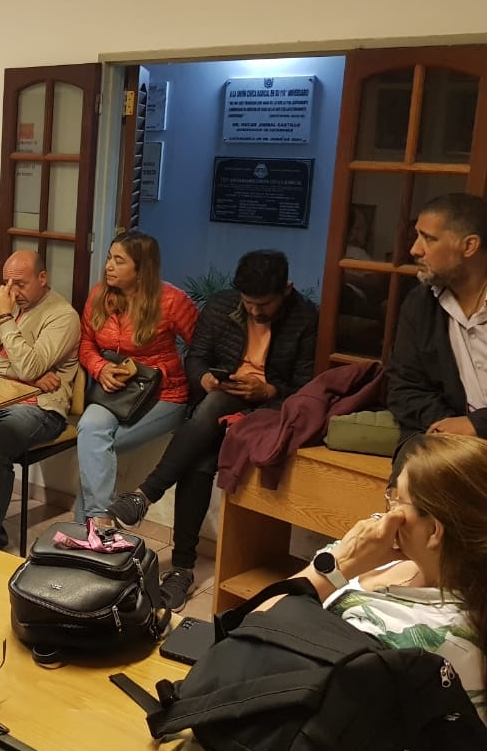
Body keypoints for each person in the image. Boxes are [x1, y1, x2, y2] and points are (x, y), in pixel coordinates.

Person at [107, 250, 319, 609]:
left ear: (287, 289)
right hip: (221, 401)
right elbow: (197, 358)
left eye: (264, 305)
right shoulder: (222, 306)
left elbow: (306, 386)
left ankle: (148, 500)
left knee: (211, 415)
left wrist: (268, 391)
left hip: (270, 409)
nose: (255, 312)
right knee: (202, 456)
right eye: (249, 303)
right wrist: (204, 377)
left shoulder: (306, 318)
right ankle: (180, 565)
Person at [271, 432, 485, 723]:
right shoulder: (414, 563)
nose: (388, 511)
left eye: (398, 499)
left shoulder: (408, 633)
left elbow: (252, 635)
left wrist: (338, 566)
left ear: (434, 531)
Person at [0, 250, 80, 549]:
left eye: (20, 283)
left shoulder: (62, 316)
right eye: (7, 283)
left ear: (42, 278)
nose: (12, 292)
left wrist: (5, 318)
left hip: (41, 407)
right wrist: (26, 375)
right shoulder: (4, 302)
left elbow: (30, 366)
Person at [73, 230, 197, 523]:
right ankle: (101, 523)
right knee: (91, 433)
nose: (108, 266)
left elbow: (204, 349)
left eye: (119, 261)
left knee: (95, 452)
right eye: (109, 258)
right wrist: (100, 368)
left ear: (141, 269)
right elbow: (86, 343)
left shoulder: (172, 301)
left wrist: (166, 372)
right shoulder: (100, 295)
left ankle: (87, 529)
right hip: (116, 392)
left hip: (165, 394)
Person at [389, 193, 487, 463]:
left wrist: (477, 425)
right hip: (441, 434)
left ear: (469, 246)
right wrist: (446, 427)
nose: (414, 250)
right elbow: (403, 387)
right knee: (411, 476)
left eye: (428, 238)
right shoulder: (420, 303)